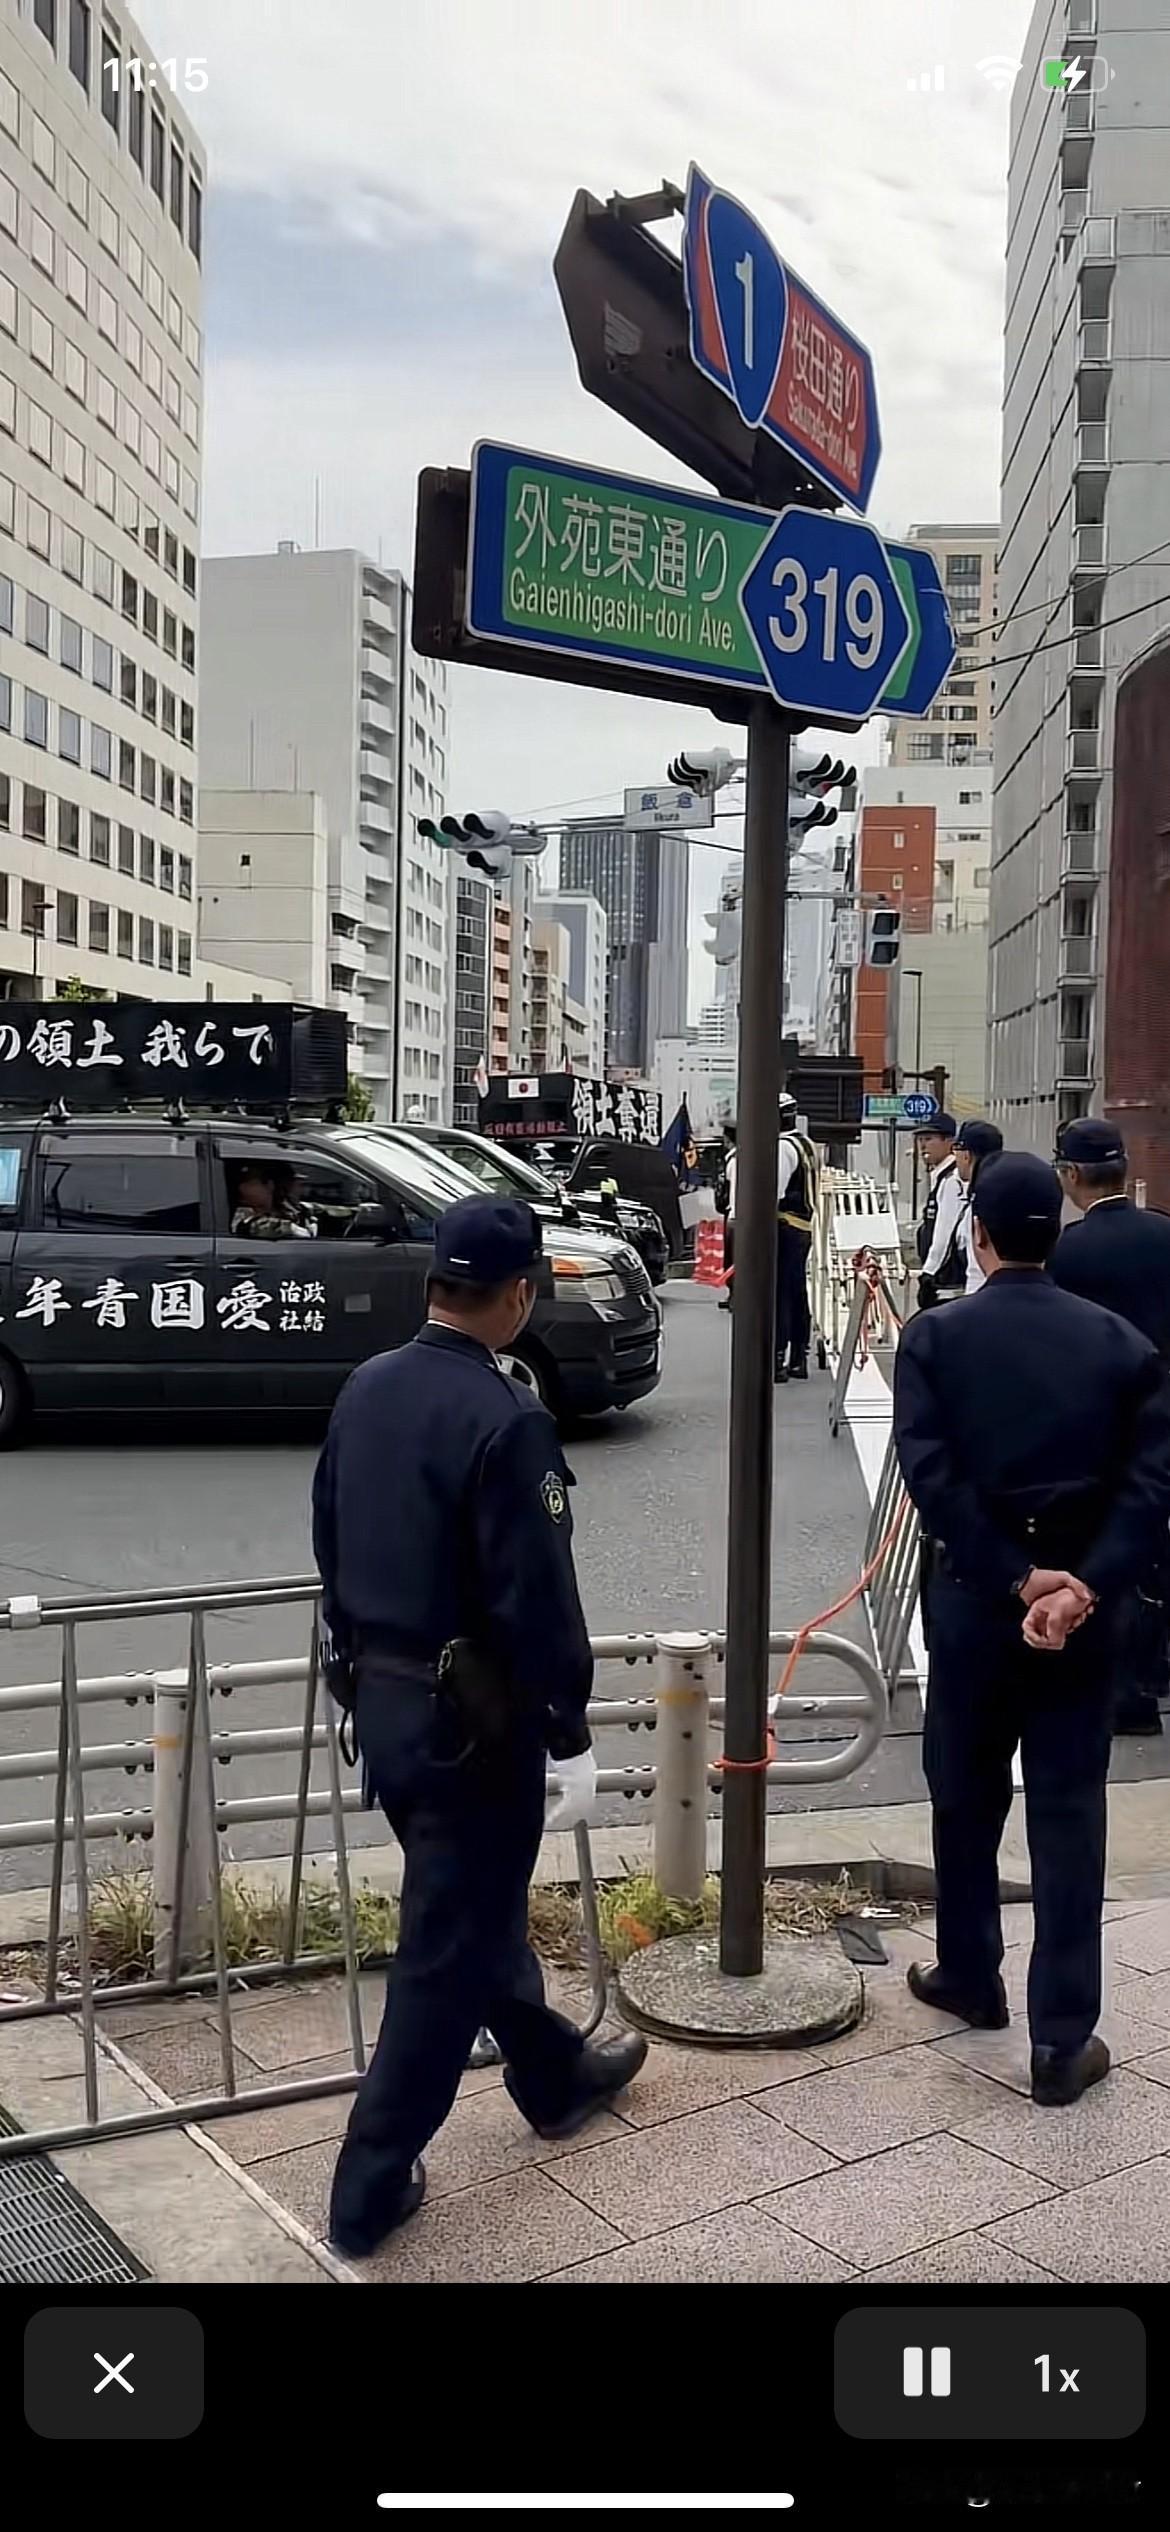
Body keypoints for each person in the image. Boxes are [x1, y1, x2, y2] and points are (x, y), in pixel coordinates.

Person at [311, 1194, 646, 2255]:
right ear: (520, 1294)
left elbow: (328, 1538)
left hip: (382, 1704)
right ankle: (368, 2183)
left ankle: (554, 2077)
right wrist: (569, 1728)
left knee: (470, 1910)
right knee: (443, 1954)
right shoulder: (507, 1417)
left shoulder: (368, 1386)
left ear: (432, 1284)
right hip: (472, 1726)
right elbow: (535, 1599)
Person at [894, 1152, 1170, 2106]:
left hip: (977, 1598)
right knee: (1068, 1807)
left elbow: (931, 1477)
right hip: (1084, 1612)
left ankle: (970, 1974)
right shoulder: (1121, 1345)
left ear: (978, 1234)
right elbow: (1150, 1487)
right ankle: (1062, 2037)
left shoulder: (936, 1338)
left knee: (964, 1789)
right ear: (1058, 1232)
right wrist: (1081, 1584)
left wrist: (1015, 1576)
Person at [1051, 1115, 1170, 1734]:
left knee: (1115, 1550)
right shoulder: (1164, 1233)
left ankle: (1128, 1690)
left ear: (1071, 1174)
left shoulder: (1067, 1251)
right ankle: (1157, 1666)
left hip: (1103, 1423)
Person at [914, 1113, 963, 1308]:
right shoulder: (940, 1177)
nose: (923, 1146)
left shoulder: (952, 1180)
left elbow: (944, 1233)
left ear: (949, 1141)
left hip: (948, 1284)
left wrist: (929, 1274)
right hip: (943, 1281)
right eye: (920, 1140)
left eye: (929, 1139)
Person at [952, 1120, 1005, 1294]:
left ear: (966, 1155)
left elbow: (977, 1266)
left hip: (982, 1292)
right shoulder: (1004, 1190)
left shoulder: (980, 1198)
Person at [230, 1161, 315, 1241]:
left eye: (251, 1184)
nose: (242, 1188)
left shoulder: (294, 1210)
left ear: (270, 1185)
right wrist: (293, 1229)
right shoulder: (241, 1213)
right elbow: (251, 1227)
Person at [715, 1123, 736, 1310]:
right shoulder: (734, 1159)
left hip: (734, 1215)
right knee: (731, 1258)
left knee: (732, 1258)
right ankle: (733, 1295)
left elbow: (733, 1190)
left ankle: (735, 1296)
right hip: (733, 1213)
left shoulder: (735, 1161)